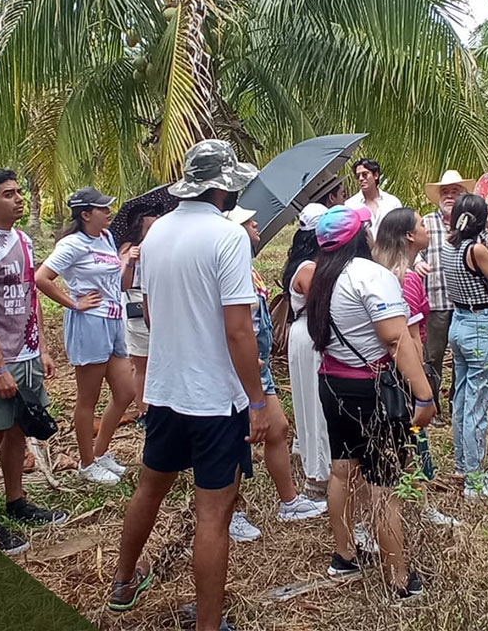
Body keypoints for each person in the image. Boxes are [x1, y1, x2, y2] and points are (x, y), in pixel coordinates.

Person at [108, 140, 269, 631]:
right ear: (223, 186)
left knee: (150, 488)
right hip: (216, 398)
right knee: (213, 514)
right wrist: (259, 399)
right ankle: (209, 623)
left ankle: (123, 580)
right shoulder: (227, 237)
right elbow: (239, 329)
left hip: (165, 390)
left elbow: (152, 313)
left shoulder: (155, 237)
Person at [307, 205, 436, 599]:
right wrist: (424, 394)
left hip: (332, 382)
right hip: (372, 390)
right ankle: (399, 578)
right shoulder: (371, 276)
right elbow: (396, 339)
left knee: (342, 470)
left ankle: (344, 556)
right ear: (363, 236)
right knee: (385, 484)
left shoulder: (321, 277)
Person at [0, 169, 67, 555]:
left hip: (26, 351)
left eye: (20, 191)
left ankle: (17, 501)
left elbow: (30, 296)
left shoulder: (21, 238)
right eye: (9, 194)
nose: (19, 198)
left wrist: (41, 347)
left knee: (20, 428)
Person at [224, 207, 326, 543]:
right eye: (248, 223)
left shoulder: (246, 268)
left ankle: (289, 501)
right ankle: (231, 512)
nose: (256, 225)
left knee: (279, 429)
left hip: (258, 365)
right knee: (236, 440)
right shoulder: (227, 270)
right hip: (241, 365)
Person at [37, 187, 136, 487]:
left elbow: (117, 282)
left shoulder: (105, 238)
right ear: (85, 214)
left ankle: (100, 451)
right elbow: (41, 278)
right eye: (103, 209)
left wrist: (127, 261)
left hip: (113, 319)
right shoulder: (72, 245)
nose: (109, 212)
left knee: (125, 392)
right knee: (88, 398)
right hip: (89, 323)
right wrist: (74, 302)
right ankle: (87, 462)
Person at [373, 207, 461, 527]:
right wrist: (421, 381)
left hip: (388, 372)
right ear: (410, 236)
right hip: (404, 374)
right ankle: (421, 503)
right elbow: (410, 336)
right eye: (422, 224)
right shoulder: (407, 279)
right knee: (414, 435)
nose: (427, 228)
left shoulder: (385, 272)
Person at [442, 193, 488, 503]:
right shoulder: (476, 250)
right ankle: (474, 480)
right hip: (479, 325)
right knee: (477, 404)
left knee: (461, 398)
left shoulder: (451, 246)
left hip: (458, 322)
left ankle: (464, 466)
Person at [415, 169, 488, 422]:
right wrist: (416, 261)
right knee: (433, 357)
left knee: (463, 358)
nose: (449, 197)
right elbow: (411, 248)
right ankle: (432, 406)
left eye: (455, 192)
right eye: (445, 192)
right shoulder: (426, 222)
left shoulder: (475, 226)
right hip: (436, 302)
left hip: (466, 305)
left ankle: (457, 403)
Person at [282, 203, 332, 498]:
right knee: (314, 403)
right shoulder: (310, 269)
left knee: (311, 400)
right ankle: (317, 474)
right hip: (312, 332)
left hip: (305, 334)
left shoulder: (306, 264)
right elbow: (321, 306)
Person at [116, 204, 165, 422]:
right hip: (136, 304)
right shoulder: (129, 247)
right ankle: (144, 411)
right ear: (140, 219)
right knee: (142, 363)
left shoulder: (164, 240)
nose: (157, 217)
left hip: (162, 302)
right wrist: (131, 261)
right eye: (152, 214)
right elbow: (123, 285)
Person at [345, 159, 401, 233]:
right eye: (358, 176)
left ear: (376, 175)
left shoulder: (392, 202)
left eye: (365, 174)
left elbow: (401, 229)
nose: (361, 179)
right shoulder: (350, 205)